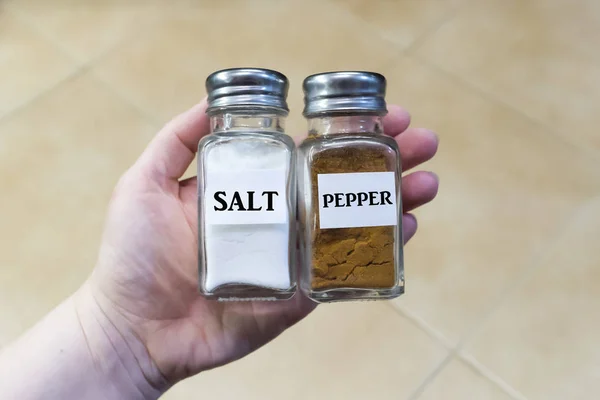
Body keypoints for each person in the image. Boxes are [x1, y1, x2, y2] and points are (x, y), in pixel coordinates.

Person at [0, 100, 439, 399]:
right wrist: (116, 325)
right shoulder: (227, 148)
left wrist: (116, 337)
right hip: (226, 282)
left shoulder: (315, 150)